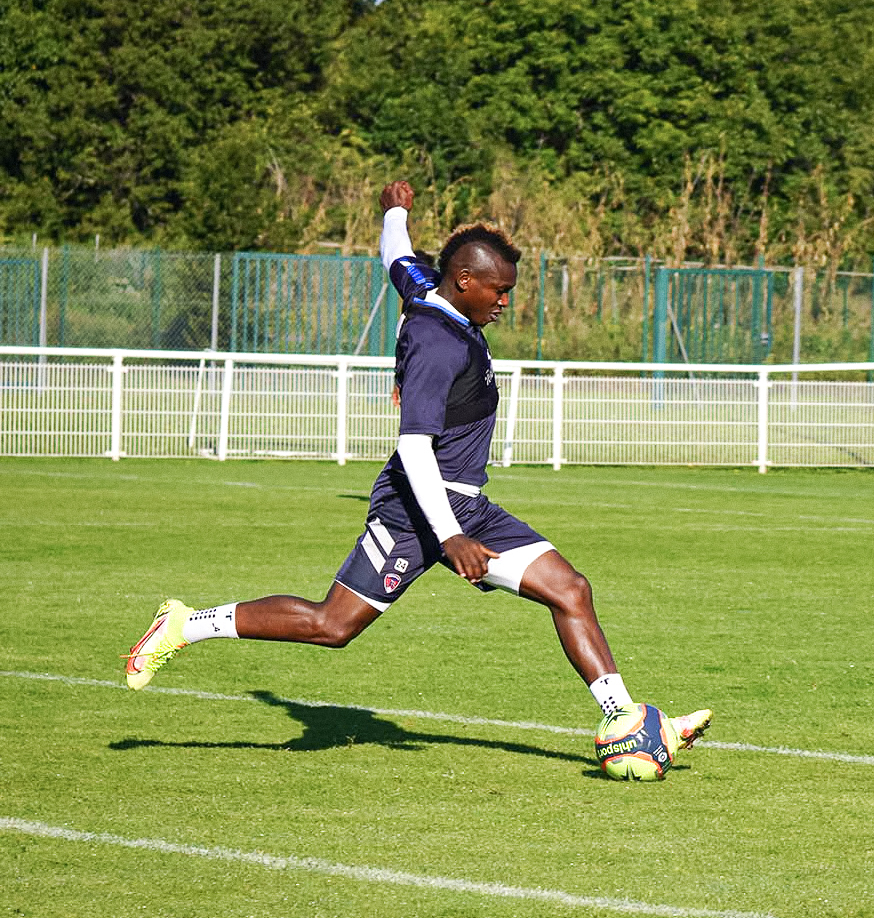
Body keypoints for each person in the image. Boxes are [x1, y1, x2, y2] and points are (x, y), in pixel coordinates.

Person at [123, 179, 711, 756]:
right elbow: (414, 448)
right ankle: (183, 624)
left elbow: (397, 259)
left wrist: (395, 213)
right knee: (333, 626)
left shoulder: (429, 292)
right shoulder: (437, 344)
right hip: (414, 511)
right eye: (499, 290)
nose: (505, 300)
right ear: (465, 281)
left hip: (465, 505)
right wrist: (450, 537)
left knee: (570, 590)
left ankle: (626, 718)